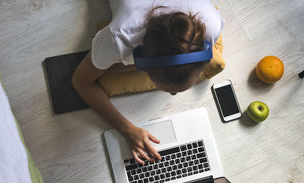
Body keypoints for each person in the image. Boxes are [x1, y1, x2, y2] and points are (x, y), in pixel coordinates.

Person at [72, 0, 224, 164]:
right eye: (170, 90)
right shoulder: (119, 39)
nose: (173, 94)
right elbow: (81, 81)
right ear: (140, 65)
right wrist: (126, 128)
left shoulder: (212, 24)